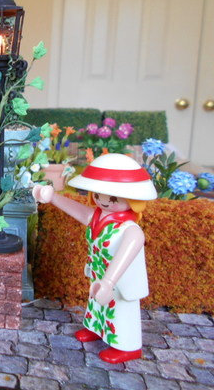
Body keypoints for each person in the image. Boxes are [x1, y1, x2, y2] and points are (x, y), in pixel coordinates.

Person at [32, 153, 157, 364]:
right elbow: (80, 212)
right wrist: (52, 197)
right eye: (98, 195)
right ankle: (96, 329)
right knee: (96, 305)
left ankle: (127, 347)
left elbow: (125, 257)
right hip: (100, 274)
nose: (103, 201)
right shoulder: (99, 217)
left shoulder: (131, 230)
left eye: (113, 198)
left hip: (119, 281)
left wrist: (109, 281)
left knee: (120, 310)